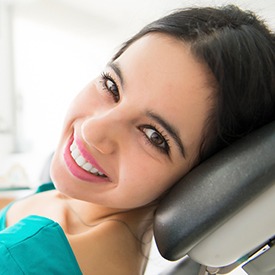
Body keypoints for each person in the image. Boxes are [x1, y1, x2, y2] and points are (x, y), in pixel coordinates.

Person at [0, 4, 274, 275]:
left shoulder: (25, 260)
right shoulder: (80, 204)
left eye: (153, 135)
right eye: (111, 86)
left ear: (203, 179)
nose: (92, 130)